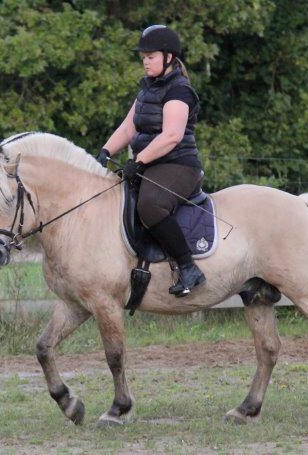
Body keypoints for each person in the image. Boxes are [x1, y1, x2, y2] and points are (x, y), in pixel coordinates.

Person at [96, 24, 205, 297]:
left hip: (179, 165)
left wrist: (139, 160)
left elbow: (171, 135)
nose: (145, 62)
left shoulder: (179, 90)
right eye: (143, 57)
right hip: (151, 165)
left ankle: (188, 266)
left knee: (149, 204)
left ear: (168, 57)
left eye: (151, 57)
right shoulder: (147, 89)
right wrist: (106, 151)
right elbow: (129, 128)